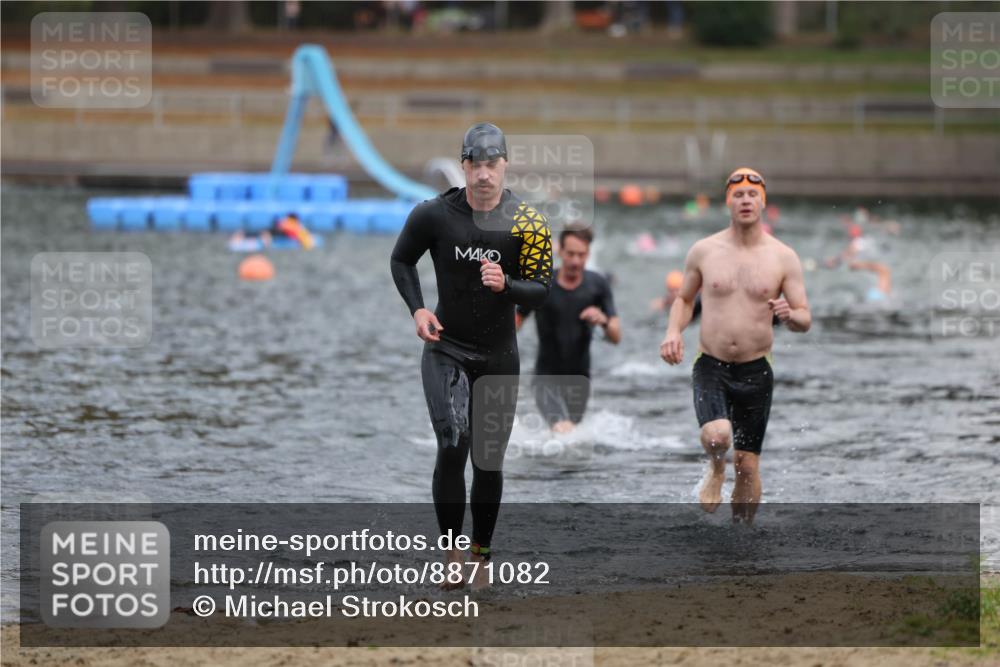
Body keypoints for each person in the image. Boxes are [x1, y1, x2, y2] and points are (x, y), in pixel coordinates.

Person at [390, 122, 553, 589]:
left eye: (492, 164)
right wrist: (418, 308)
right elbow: (401, 260)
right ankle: (450, 552)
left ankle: (480, 553)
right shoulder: (434, 215)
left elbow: (541, 291)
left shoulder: (529, 222)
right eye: (474, 164)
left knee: (488, 461)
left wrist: (508, 286)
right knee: (451, 441)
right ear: (463, 166)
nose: (483, 174)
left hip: (499, 354)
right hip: (446, 347)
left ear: (505, 165)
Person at [660, 167, 810, 524]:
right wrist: (672, 332)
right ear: (728, 202)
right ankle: (715, 469)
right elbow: (683, 300)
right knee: (718, 434)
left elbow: (805, 318)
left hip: (757, 369)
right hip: (710, 363)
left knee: (747, 465)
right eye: (738, 195)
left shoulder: (783, 257)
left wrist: (791, 315)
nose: (745, 201)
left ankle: (743, 540)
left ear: (763, 202)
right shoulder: (704, 251)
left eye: (752, 195)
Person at [515, 224, 621, 433]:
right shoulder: (543, 284)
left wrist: (603, 321)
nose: (575, 261)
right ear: (560, 251)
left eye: (581, 255)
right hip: (545, 377)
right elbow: (515, 322)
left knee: (571, 436)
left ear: (588, 254)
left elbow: (616, 336)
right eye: (570, 253)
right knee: (562, 429)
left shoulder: (597, 285)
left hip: (580, 379)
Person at [824, 221, 892, 299]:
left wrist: (834, 261)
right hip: (867, 274)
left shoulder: (859, 242)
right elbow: (849, 254)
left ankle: (881, 295)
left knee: (884, 272)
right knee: (884, 272)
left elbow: (847, 255)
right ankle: (882, 295)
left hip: (866, 273)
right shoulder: (861, 242)